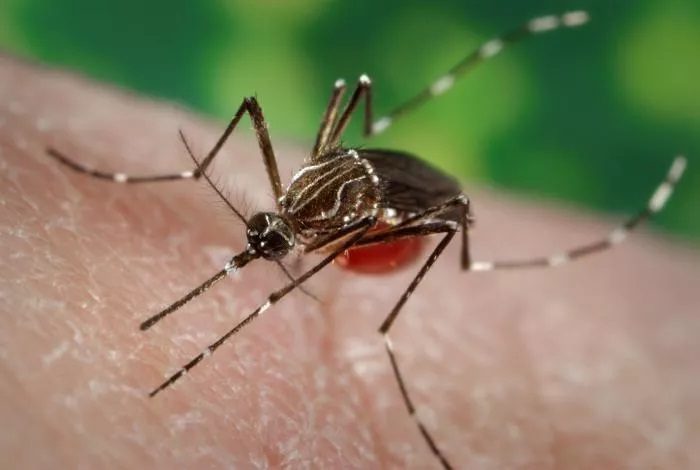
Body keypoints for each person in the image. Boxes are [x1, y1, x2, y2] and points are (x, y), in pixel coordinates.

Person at [1, 55, 698, 468]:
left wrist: (291, 286)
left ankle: (391, 332)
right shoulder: (287, 205)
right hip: (354, 189)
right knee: (308, 101)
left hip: (392, 213)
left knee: (432, 202)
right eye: (264, 233)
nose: (258, 241)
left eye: (265, 239)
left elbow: (429, 215)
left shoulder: (319, 220)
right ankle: (184, 183)